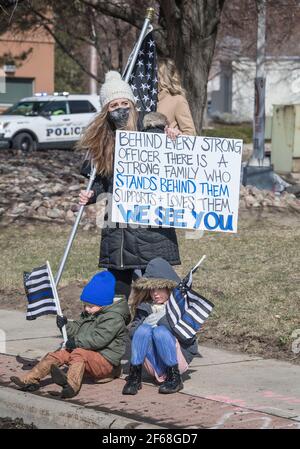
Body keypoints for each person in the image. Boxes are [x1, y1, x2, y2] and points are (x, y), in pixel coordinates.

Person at [78, 71, 181, 300]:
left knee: (154, 287)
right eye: (114, 105)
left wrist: (173, 138)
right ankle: (118, 330)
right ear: (106, 110)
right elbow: (104, 181)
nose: (121, 108)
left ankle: (158, 330)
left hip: (149, 227)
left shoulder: (150, 129)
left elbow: (172, 166)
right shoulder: (104, 140)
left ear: (133, 104)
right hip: (118, 226)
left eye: (125, 103)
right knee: (118, 287)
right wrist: (92, 194)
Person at [10, 271, 131, 399]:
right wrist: (65, 325)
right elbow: (77, 328)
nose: (86, 309)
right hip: (91, 355)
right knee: (60, 353)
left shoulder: (114, 318)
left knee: (79, 352)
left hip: (107, 362)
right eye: (85, 305)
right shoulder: (91, 312)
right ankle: (30, 380)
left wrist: (76, 342)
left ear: (103, 303)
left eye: (90, 306)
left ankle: (71, 386)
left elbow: (98, 339)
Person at [122, 257, 199, 396]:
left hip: (176, 359)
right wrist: (146, 322)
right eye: (152, 289)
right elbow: (133, 333)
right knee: (143, 329)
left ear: (169, 287)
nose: (155, 294)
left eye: (159, 289)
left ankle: (174, 379)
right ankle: (134, 377)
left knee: (160, 331)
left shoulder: (179, 307)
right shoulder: (145, 307)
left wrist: (161, 320)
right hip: (154, 363)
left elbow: (188, 339)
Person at [157, 57, 196, 136]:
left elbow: (191, 133)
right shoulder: (145, 99)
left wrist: (178, 134)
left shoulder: (178, 100)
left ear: (161, 77)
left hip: (167, 147)